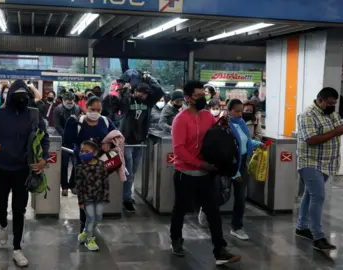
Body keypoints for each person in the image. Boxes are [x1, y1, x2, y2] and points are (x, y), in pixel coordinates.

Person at [0, 80, 49, 267]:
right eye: (17, 94)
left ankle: (17, 248)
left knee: (19, 209)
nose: (22, 97)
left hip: (23, 170)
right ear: (9, 95)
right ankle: (2, 224)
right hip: (1, 168)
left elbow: (45, 137)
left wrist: (44, 159)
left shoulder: (33, 115)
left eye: (24, 94)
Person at [170, 80, 240, 265]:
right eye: (198, 96)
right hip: (185, 174)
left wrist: (221, 124)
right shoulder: (181, 119)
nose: (202, 98)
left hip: (205, 175)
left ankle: (220, 250)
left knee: (213, 212)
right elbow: (179, 150)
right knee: (181, 209)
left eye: (204, 95)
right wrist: (200, 164)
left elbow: (213, 136)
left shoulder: (207, 116)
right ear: (188, 98)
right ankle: (176, 239)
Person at [295, 87, 343, 251]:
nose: (332, 106)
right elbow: (311, 139)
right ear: (320, 100)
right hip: (310, 161)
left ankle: (301, 227)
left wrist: (338, 129)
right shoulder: (307, 115)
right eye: (330, 103)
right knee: (319, 197)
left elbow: (339, 127)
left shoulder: (333, 114)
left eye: (335, 103)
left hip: (327, 162)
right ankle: (318, 237)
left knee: (309, 195)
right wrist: (336, 132)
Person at [63, 96, 115, 234]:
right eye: (92, 109)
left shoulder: (105, 121)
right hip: (82, 167)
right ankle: (84, 225)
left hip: (100, 167)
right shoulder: (78, 121)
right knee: (85, 197)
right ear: (86, 108)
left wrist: (109, 144)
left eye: (99, 110)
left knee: (97, 197)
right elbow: (67, 139)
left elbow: (117, 136)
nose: (95, 112)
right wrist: (71, 123)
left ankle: (92, 224)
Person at [117, 74, 164, 212]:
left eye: (145, 94)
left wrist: (150, 78)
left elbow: (159, 91)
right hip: (126, 140)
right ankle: (126, 199)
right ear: (135, 91)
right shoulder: (129, 100)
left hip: (140, 141)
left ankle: (126, 195)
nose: (142, 95)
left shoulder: (148, 103)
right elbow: (122, 100)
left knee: (134, 171)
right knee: (128, 171)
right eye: (140, 92)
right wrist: (126, 89)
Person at [226, 99, 264, 241]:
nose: (239, 113)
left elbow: (246, 141)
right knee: (219, 195)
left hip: (241, 165)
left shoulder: (242, 123)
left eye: (241, 110)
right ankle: (205, 210)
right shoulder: (224, 124)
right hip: (228, 165)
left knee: (240, 197)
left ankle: (237, 227)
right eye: (236, 111)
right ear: (228, 110)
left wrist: (258, 144)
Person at [75, 140, 110, 251]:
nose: (83, 154)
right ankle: (89, 240)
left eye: (87, 151)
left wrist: (106, 196)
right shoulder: (80, 168)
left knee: (98, 218)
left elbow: (105, 181)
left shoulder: (101, 165)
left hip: (99, 197)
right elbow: (79, 186)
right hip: (87, 199)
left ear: (94, 153)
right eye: (82, 151)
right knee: (91, 219)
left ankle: (85, 232)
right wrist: (80, 202)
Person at [53, 92, 82, 196]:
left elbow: (80, 122)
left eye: (71, 102)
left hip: (75, 141)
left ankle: (73, 185)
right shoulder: (58, 110)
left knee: (76, 164)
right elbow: (57, 125)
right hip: (64, 141)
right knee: (64, 165)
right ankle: (64, 186)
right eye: (68, 102)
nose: (70, 104)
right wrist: (65, 135)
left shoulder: (78, 109)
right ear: (63, 101)